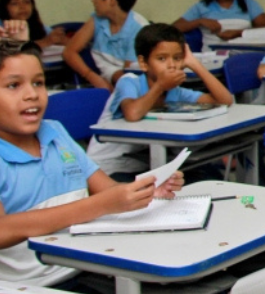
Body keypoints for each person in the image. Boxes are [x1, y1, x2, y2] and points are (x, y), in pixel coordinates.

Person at [0, 37, 263, 294]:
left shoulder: (55, 132)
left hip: (87, 271)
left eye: (39, 83)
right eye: (14, 86)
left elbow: (106, 192)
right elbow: (4, 230)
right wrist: (102, 203)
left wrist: (145, 190)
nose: (31, 95)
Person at [89, 23, 234, 179]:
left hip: (147, 164)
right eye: (161, 58)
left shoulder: (174, 91)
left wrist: (195, 65)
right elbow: (132, 113)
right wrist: (160, 86)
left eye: (177, 58)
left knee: (207, 177)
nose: (171, 65)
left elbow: (225, 100)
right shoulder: (129, 81)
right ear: (144, 63)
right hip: (108, 168)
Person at [62, 0, 147, 90]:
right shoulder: (97, 19)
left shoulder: (139, 29)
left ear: (111, 0)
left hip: (127, 85)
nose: (93, 0)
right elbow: (69, 52)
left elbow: (128, 76)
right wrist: (92, 77)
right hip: (100, 80)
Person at [0, 0, 66, 50]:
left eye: (27, 2)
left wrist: (60, 39)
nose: (22, 7)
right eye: (15, 3)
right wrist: (44, 42)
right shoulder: (1, 28)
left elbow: (61, 41)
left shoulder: (37, 25)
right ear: (4, 7)